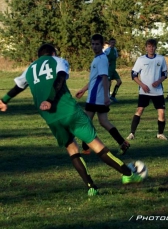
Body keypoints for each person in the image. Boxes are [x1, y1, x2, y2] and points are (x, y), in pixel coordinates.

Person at [0, 43, 142, 196]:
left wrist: (4, 100)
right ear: (53, 53)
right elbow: (60, 79)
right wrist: (50, 100)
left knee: (72, 149)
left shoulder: (30, 69)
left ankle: (91, 187)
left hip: (51, 118)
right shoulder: (58, 60)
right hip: (69, 112)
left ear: (39, 56)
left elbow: (18, 86)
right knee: (96, 145)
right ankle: (128, 174)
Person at [76, 34, 130, 155]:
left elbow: (105, 78)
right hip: (97, 96)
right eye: (93, 44)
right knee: (103, 121)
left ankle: (86, 148)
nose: (94, 46)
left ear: (102, 45)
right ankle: (123, 143)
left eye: (97, 44)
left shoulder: (101, 59)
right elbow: (94, 79)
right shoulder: (98, 58)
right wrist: (84, 89)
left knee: (86, 122)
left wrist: (106, 96)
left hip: (96, 97)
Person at [127, 38, 168, 140]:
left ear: (155, 47)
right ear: (146, 48)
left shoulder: (161, 59)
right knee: (139, 110)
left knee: (162, 113)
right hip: (144, 91)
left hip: (157, 91)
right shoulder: (141, 60)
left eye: (153, 46)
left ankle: (160, 134)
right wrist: (142, 85)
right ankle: (132, 133)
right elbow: (133, 75)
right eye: (149, 46)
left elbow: (165, 74)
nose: (151, 48)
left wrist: (158, 81)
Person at [104, 38, 122, 103]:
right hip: (108, 69)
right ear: (109, 43)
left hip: (113, 69)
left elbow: (116, 57)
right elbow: (103, 57)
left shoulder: (115, 50)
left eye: (114, 42)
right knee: (109, 83)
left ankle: (113, 96)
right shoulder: (107, 50)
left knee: (119, 82)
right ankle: (107, 97)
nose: (113, 44)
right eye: (112, 42)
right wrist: (107, 61)